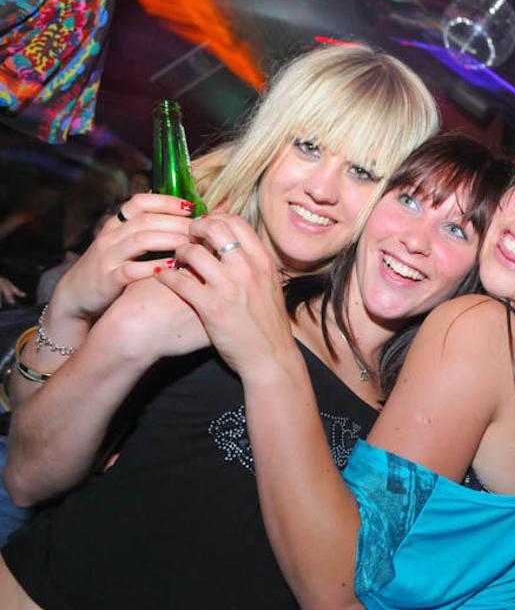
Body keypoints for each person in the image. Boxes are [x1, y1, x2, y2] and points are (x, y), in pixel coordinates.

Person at [0, 134, 511, 609]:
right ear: (372, 206)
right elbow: (29, 475)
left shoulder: (415, 428)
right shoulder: (233, 298)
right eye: (409, 201)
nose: (416, 240)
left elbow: (347, 590)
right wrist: (87, 318)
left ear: (475, 269)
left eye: (456, 230)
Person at [6, 41, 438, 433]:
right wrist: (70, 307)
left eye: (362, 172)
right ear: (269, 141)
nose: (322, 190)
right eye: (308, 147)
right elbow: (29, 430)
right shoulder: (176, 248)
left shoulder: (358, 345)